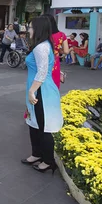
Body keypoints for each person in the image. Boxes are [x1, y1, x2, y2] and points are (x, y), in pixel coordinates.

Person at [22, 16, 63, 174]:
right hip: (37, 88)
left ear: (38, 29)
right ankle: (36, 154)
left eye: (31, 28)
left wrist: (32, 91)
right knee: (34, 124)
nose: (28, 30)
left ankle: (48, 161)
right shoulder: (42, 45)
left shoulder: (41, 47)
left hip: (42, 91)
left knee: (43, 127)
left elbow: (42, 72)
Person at [42, 13, 68, 87]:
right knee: (54, 83)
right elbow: (66, 51)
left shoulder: (42, 35)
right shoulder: (62, 35)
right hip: (54, 61)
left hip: (43, 59)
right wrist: (58, 50)